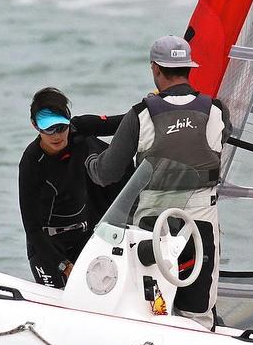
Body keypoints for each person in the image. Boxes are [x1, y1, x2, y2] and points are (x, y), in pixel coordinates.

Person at [86, 35, 230, 329]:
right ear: (189, 68)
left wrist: (88, 160)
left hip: (152, 229)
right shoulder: (217, 112)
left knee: (150, 307)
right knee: (198, 312)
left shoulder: (140, 115)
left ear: (155, 69)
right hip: (200, 226)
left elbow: (107, 173)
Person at [19, 88, 124, 288]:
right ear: (35, 125)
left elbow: (125, 122)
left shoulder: (79, 128)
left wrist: (153, 104)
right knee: (58, 296)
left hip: (83, 236)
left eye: (61, 127)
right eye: (48, 129)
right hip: (47, 246)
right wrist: (64, 265)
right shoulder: (31, 162)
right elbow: (31, 229)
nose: (57, 135)